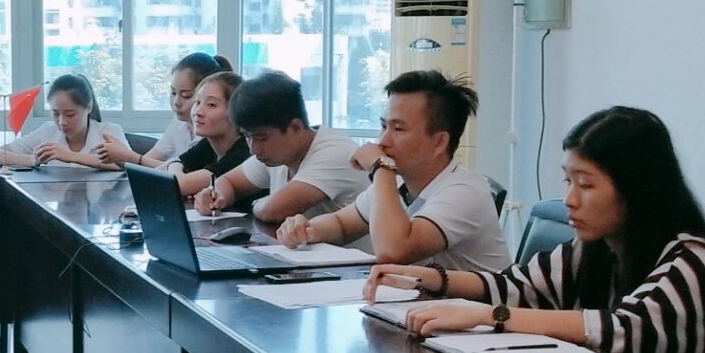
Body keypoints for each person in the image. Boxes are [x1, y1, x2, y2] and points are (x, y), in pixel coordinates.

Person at [364, 106, 705, 353]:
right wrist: (430, 278)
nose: (569, 199)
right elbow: (517, 286)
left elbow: (623, 331)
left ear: (637, 189)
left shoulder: (693, 261)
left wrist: (489, 316)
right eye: (568, 181)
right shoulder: (598, 249)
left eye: (585, 185)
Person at [275, 70, 510, 270]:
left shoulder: (464, 191)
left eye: (398, 129)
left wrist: (381, 168)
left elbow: (393, 252)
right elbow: (342, 224)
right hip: (422, 305)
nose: (383, 140)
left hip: (478, 309)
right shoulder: (399, 182)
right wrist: (305, 229)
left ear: (439, 142)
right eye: (383, 126)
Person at [195, 70, 367, 221]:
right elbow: (229, 182)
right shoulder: (280, 153)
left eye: (261, 138)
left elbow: (273, 211)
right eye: (248, 137)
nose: (253, 149)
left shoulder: (335, 153)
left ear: (295, 127)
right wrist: (215, 195)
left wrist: (255, 203)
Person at [95, 52, 233, 169]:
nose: (176, 102)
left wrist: (130, 157)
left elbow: (186, 174)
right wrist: (125, 157)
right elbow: (166, 165)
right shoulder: (179, 123)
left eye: (186, 95)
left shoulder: (212, 134)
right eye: (173, 93)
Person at [0, 74, 124, 169]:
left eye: (70, 114)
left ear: (88, 108)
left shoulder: (108, 132)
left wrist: (70, 156)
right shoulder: (48, 130)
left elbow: (126, 165)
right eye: (55, 113)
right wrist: (32, 160)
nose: (62, 122)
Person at [173, 71, 251, 198]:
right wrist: (174, 165)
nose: (198, 112)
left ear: (235, 112)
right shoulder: (208, 143)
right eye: (197, 102)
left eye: (211, 105)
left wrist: (174, 167)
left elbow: (178, 185)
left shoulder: (244, 152)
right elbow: (163, 171)